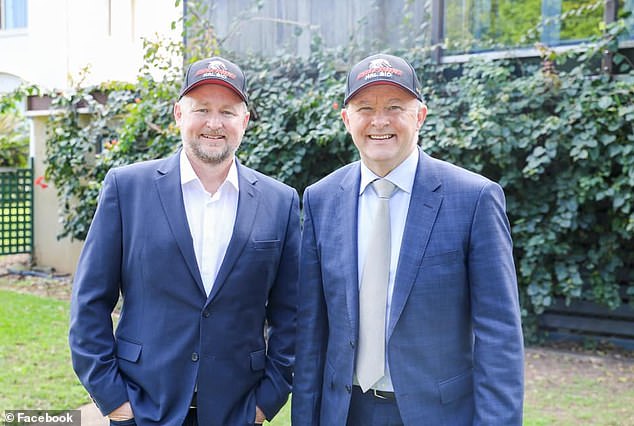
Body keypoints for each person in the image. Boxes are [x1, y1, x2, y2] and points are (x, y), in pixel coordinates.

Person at [291, 53, 524, 425]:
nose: (379, 121)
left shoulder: (474, 198)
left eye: (395, 107)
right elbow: (311, 332)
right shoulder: (321, 199)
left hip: (437, 414)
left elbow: (499, 334)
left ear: (420, 115)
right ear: (346, 119)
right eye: (365, 107)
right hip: (345, 412)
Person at [69, 56, 300, 426]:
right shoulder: (127, 189)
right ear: (178, 114)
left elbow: (291, 316)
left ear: (245, 120)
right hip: (142, 408)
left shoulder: (280, 202)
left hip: (236, 412)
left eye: (227, 111)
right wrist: (113, 399)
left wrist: (266, 402)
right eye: (201, 109)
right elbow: (89, 301)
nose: (213, 123)